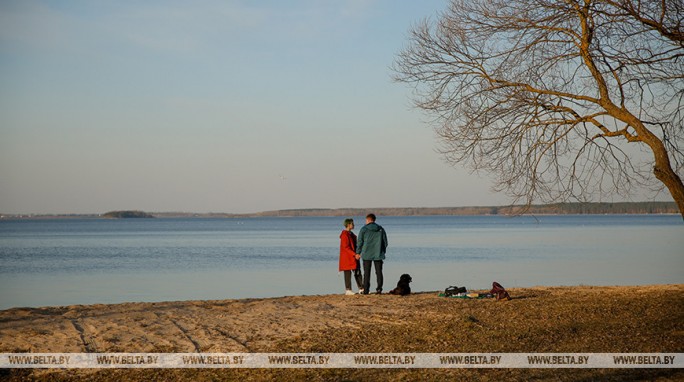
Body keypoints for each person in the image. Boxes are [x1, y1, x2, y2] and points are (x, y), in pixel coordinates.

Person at [356, 213, 388, 294]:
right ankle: (379, 289)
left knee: (366, 273)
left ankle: (366, 290)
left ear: (368, 220)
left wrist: (358, 252)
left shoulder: (364, 229)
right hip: (378, 254)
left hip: (366, 254)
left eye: (366, 220)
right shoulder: (380, 229)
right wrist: (382, 251)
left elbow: (360, 242)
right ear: (374, 220)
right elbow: (385, 242)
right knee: (379, 272)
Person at [339, 218, 363, 295]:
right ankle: (348, 289)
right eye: (352, 224)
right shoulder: (344, 235)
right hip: (347, 257)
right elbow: (346, 247)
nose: (354, 225)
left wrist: (358, 253)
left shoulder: (351, 234)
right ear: (348, 225)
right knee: (347, 273)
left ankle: (361, 288)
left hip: (353, 256)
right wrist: (354, 254)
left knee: (357, 272)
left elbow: (355, 245)